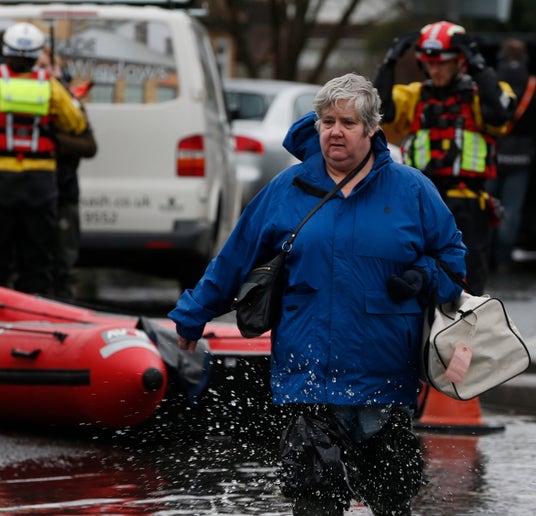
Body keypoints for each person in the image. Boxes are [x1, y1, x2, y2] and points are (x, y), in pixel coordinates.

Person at [167, 73, 466, 515]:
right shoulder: (286, 190)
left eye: (347, 122)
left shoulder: (411, 190)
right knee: (313, 503)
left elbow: (453, 261)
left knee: (391, 503)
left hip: (382, 379)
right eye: (327, 121)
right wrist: (193, 314)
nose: (335, 131)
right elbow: (235, 257)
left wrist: (424, 276)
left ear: (371, 129)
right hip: (307, 375)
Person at [373, 21, 516, 295]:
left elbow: (501, 113)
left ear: (460, 62)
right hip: (419, 201)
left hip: (468, 204)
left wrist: (477, 64)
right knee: (412, 278)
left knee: (467, 286)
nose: (435, 70)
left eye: (442, 63)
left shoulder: (481, 95)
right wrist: (389, 63)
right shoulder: (414, 95)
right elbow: (379, 111)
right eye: (429, 63)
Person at [0, 22, 88, 295]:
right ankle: (32, 312)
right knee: (36, 257)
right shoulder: (51, 87)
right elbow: (75, 124)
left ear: (6, 51)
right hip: (40, 182)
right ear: (37, 55)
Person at [36, 48, 97, 299]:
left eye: (48, 66)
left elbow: (89, 146)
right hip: (31, 196)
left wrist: (54, 141)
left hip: (63, 195)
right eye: (37, 65)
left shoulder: (68, 101)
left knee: (64, 263)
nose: (44, 72)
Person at [488, 38, 536, 274]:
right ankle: (504, 259)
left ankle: (486, 256)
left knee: (486, 207)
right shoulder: (535, 83)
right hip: (522, 155)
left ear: (502, 57)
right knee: (511, 210)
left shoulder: (491, 81)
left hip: (493, 153)